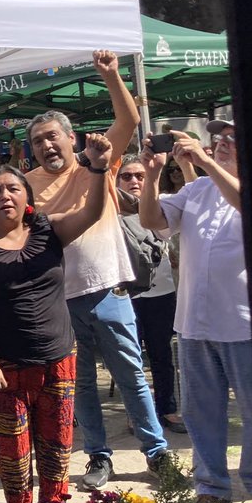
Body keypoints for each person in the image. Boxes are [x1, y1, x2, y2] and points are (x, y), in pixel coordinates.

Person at [0, 134, 115, 503]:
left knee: (58, 443)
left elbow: (93, 211)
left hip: (59, 357)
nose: (4, 195)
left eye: (12, 188)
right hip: (5, 366)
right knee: (13, 450)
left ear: (27, 197)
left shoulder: (47, 230)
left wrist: (97, 168)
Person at [24, 51, 169, 491]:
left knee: (131, 377)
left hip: (109, 290)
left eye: (53, 138)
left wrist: (110, 75)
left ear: (71, 140)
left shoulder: (98, 161)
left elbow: (126, 120)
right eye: (38, 142)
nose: (47, 146)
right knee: (80, 385)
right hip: (59, 304)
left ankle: (156, 451)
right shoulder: (26, 183)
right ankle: (98, 458)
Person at [137, 120, 252, 503]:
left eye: (231, 137)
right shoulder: (196, 190)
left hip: (244, 324)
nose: (222, 143)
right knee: (201, 412)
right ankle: (211, 489)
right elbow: (150, 220)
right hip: (194, 324)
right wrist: (153, 172)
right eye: (218, 138)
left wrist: (208, 162)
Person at [115, 158, 185, 434]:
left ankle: (167, 409)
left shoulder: (163, 204)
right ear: (118, 181)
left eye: (140, 176)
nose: (134, 181)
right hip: (126, 295)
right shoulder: (110, 209)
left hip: (162, 292)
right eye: (127, 176)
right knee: (130, 359)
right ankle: (137, 414)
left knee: (162, 355)